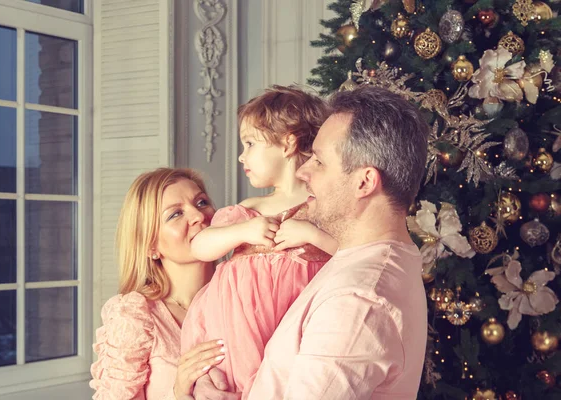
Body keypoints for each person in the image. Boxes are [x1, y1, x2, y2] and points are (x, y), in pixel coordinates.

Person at [195, 85, 430, 399]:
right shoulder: (367, 263)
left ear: (364, 182)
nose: (303, 170)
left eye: (319, 162)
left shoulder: (358, 302)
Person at [181, 85, 338, 396]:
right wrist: (243, 232)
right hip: (241, 329)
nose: (242, 156)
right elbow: (199, 246)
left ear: (288, 142)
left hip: (296, 321)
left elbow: (353, 256)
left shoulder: (322, 208)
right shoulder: (249, 209)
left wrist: (312, 235)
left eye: (250, 143)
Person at [90, 168, 228, 400]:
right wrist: (178, 391)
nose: (199, 216)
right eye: (175, 214)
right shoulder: (134, 317)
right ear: (151, 246)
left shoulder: (241, 293)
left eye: (202, 202)